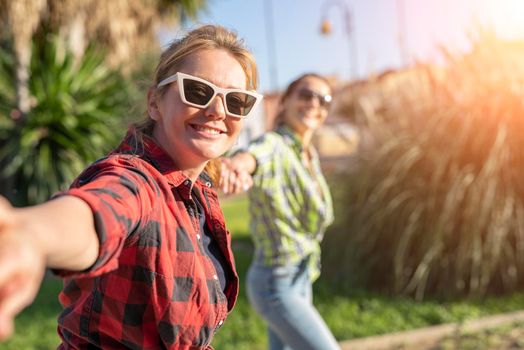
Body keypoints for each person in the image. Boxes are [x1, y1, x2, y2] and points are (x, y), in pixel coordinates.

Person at [0, 24, 263, 349]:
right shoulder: (139, 181)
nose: (218, 110)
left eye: (237, 101)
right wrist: (31, 236)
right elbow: (103, 209)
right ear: (154, 102)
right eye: (197, 91)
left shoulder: (197, 186)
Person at [220, 74, 340, 350]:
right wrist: (237, 166)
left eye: (324, 99)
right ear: (284, 102)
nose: (314, 103)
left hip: (301, 279)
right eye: (306, 95)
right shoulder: (276, 145)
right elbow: (255, 155)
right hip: (276, 285)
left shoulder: (307, 154)